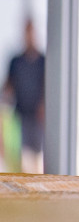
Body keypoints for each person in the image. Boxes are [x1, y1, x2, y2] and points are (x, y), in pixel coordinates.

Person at [4, 20, 45, 173]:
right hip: (19, 116)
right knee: (22, 162)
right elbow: (8, 86)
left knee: (37, 161)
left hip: (37, 119)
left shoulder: (43, 61)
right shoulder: (16, 61)